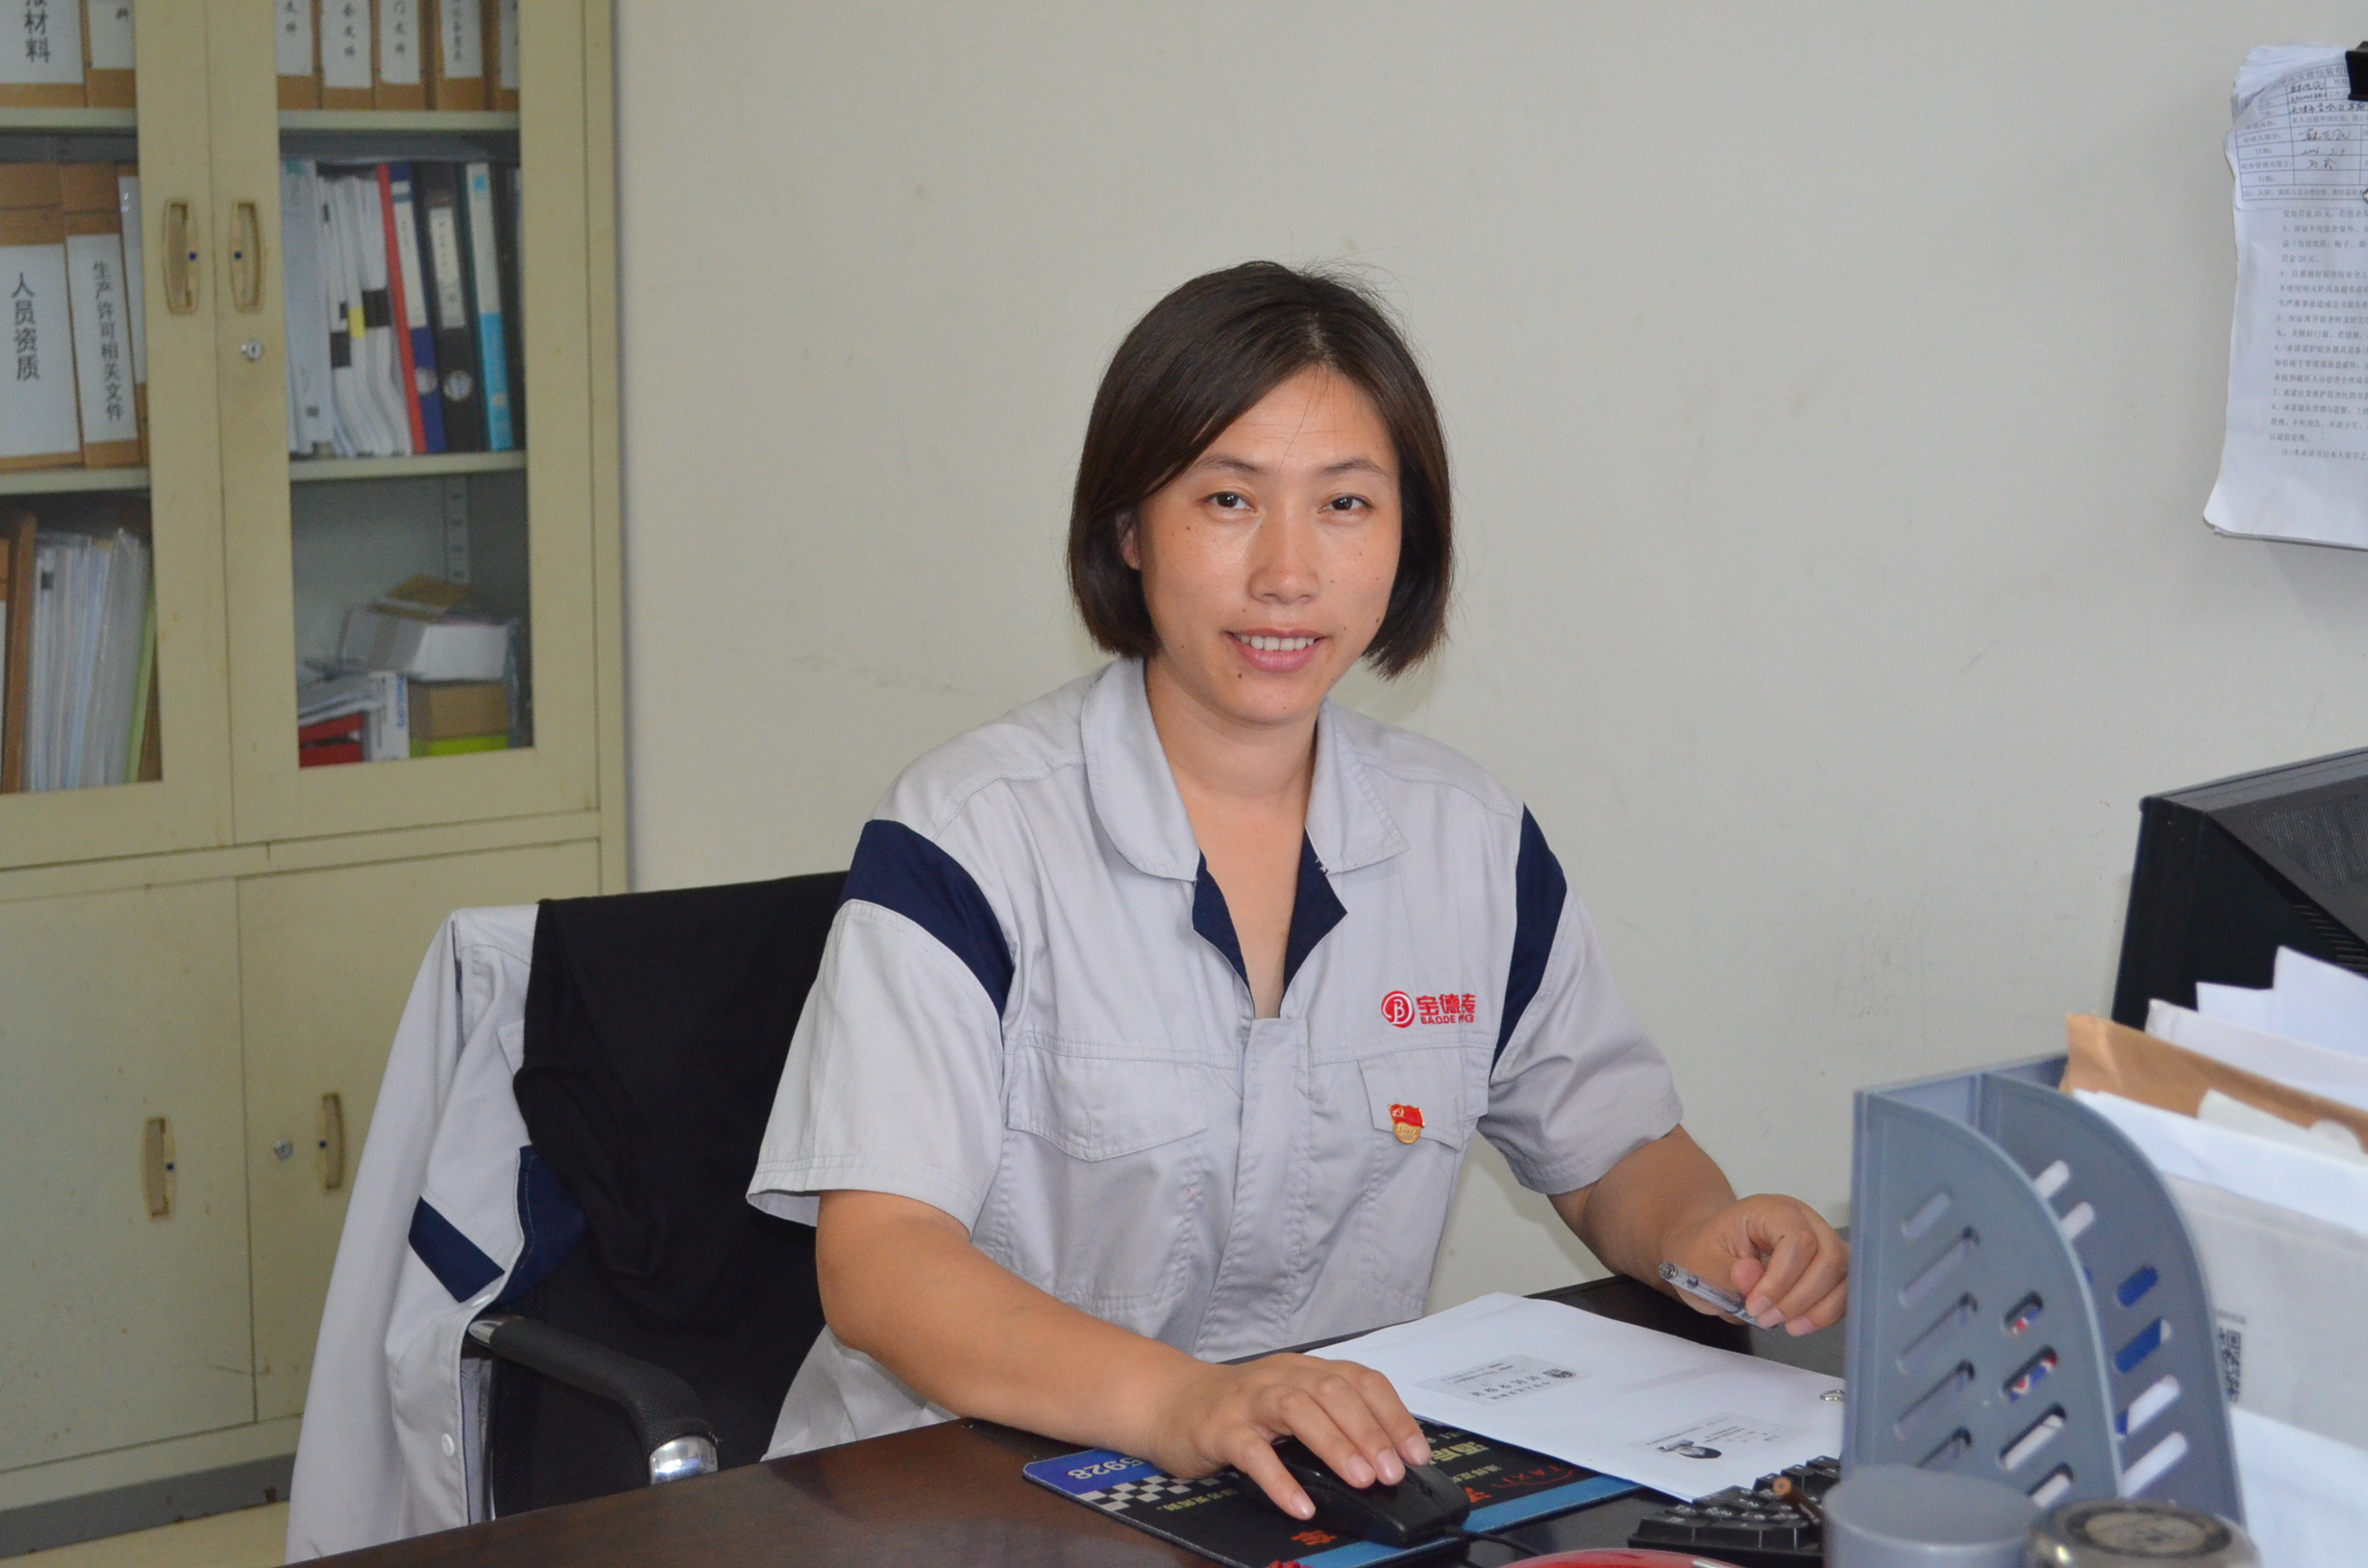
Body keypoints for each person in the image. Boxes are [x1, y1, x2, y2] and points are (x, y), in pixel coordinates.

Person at [747, 261, 1848, 1520]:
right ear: (1129, 529)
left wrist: (1704, 1234)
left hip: (1314, 1492)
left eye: (1345, 504)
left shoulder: (1468, 841)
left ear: (1406, 536)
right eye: (1227, 499)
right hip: (965, 1496)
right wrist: (1184, 1403)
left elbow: (1613, 1155)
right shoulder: (969, 835)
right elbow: (883, 1265)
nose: (1287, 571)